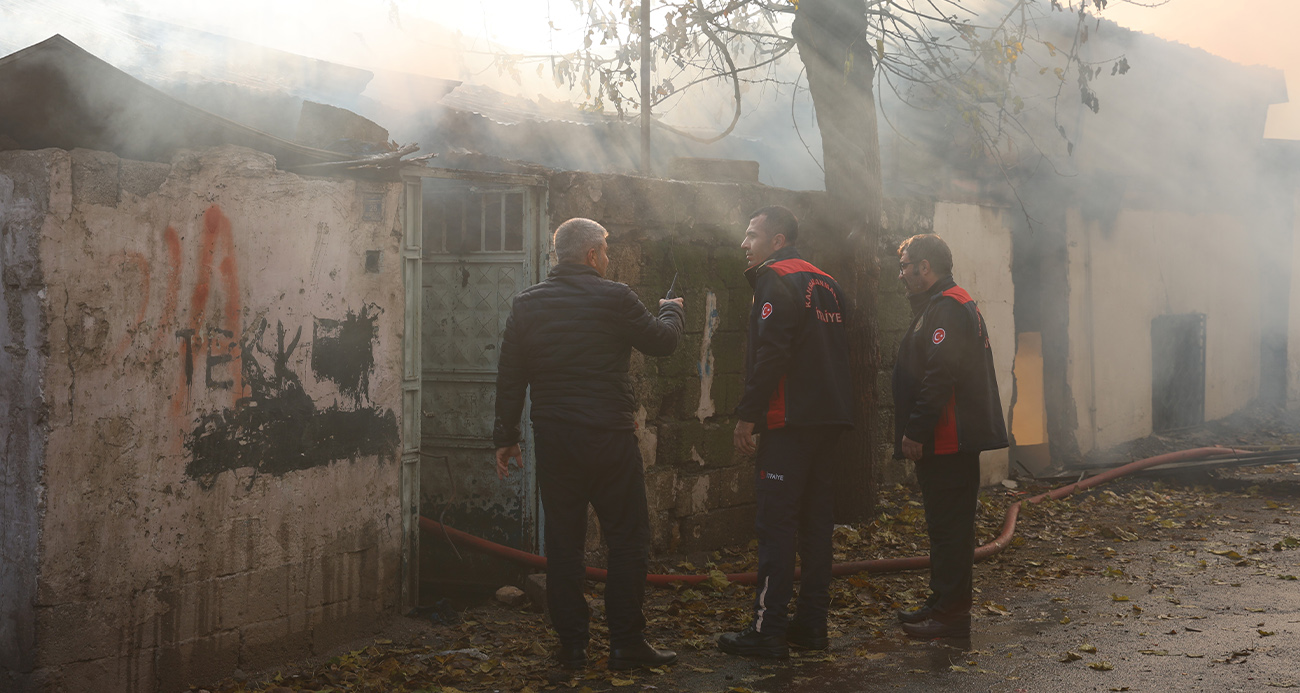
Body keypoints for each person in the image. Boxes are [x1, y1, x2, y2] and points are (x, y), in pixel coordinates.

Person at [492, 218, 685, 671]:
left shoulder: (526, 304)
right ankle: (627, 643)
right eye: (607, 251)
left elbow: (510, 377)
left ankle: (573, 646)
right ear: (594, 253)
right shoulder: (615, 296)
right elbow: (663, 342)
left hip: (555, 440)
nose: (609, 259)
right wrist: (672, 308)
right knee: (628, 539)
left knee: (563, 544)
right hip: (609, 439)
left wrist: (505, 438)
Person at [716, 206, 854, 659]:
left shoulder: (776, 278)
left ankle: (768, 630)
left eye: (752, 234)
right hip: (829, 421)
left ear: (777, 241)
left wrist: (747, 415)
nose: (744, 243)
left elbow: (771, 355)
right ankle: (812, 626)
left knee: (775, 527)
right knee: (816, 527)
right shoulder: (827, 282)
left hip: (789, 424)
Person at [891, 233, 1007, 639]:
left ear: (925, 267)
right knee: (943, 528)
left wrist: (915, 431)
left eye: (906, 265)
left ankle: (952, 613)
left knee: (952, 529)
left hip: (948, 440)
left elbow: (940, 375)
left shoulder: (949, 307)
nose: (901, 273)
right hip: (945, 439)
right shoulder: (942, 305)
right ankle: (941, 602)